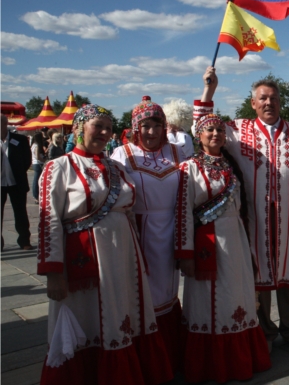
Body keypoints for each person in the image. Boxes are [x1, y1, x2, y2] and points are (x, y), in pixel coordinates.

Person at [36, 104, 172, 385]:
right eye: (97, 125)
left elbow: (129, 213)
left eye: (108, 128)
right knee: (90, 322)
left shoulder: (115, 167)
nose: (104, 132)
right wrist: (53, 273)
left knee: (122, 317)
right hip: (85, 263)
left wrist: (139, 261)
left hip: (123, 260)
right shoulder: (58, 167)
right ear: (78, 128)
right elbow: (48, 222)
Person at [200, 67, 289, 352]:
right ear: (253, 103)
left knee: (288, 271)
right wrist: (209, 91)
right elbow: (201, 127)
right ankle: (266, 332)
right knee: (258, 274)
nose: (268, 103)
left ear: (280, 101)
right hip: (255, 218)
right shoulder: (237, 130)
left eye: (273, 98)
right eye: (262, 98)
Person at [175, 113, 271, 382]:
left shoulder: (231, 166)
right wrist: (185, 253)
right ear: (199, 135)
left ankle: (240, 357)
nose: (216, 134)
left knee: (236, 295)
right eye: (209, 130)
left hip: (235, 240)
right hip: (206, 242)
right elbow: (182, 213)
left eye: (219, 129)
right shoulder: (188, 168)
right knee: (208, 301)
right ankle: (211, 363)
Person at [111, 97, 186, 371]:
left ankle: (171, 353)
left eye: (157, 125)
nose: (152, 132)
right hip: (140, 230)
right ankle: (149, 360)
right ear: (135, 128)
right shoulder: (122, 154)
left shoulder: (178, 151)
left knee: (169, 288)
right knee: (144, 292)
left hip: (173, 228)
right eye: (145, 126)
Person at [1, 115, 33, 251]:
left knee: (20, 213)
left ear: (5, 124)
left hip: (17, 182)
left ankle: (24, 240)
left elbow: (27, 159)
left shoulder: (19, 140)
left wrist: (19, 171)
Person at [31, 132, 46, 203]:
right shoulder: (37, 145)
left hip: (35, 163)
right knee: (37, 180)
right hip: (38, 164)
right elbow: (38, 157)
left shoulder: (33, 145)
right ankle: (36, 196)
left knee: (36, 180)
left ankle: (36, 195)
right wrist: (44, 160)